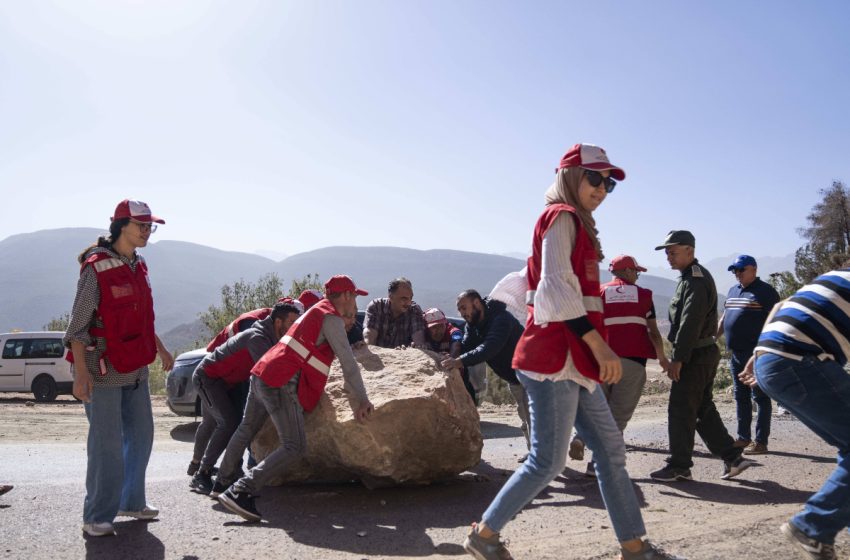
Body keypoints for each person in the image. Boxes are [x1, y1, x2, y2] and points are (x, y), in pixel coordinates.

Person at [462, 144, 682, 560]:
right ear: (569, 176)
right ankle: (484, 534)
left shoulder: (576, 222)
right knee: (548, 461)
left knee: (611, 451)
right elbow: (556, 289)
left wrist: (593, 352)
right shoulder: (561, 217)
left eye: (609, 183)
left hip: (574, 362)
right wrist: (600, 346)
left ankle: (635, 548)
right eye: (594, 178)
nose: (602, 188)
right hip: (556, 359)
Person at [214, 275, 374, 522]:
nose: (355, 304)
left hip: (262, 373)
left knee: (247, 427)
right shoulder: (329, 316)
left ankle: (221, 483)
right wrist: (362, 400)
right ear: (345, 296)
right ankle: (241, 489)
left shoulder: (316, 312)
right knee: (295, 446)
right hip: (280, 381)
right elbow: (348, 362)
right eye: (354, 297)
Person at [64, 199, 174, 538]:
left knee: (141, 437)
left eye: (149, 226)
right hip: (101, 369)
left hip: (135, 367)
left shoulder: (138, 264)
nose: (146, 232)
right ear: (121, 226)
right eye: (141, 225)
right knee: (106, 444)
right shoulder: (95, 267)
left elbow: (139, 316)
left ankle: (131, 500)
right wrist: (81, 374)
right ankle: (96, 514)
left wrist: (161, 348)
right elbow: (78, 327)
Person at [740, 267, 850, 560]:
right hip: (798, 361)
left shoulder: (835, 276)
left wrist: (758, 353)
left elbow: (780, 306)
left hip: (771, 358)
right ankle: (812, 526)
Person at [650, 231, 752, 482]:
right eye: (667, 253)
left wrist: (678, 358)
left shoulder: (695, 279)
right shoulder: (688, 278)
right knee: (702, 409)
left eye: (673, 252)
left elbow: (690, 322)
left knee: (681, 410)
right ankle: (733, 458)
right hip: (701, 353)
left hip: (695, 354)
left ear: (690, 251)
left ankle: (679, 466)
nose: (668, 257)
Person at [570, 254, 670, 477]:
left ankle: (581, 437)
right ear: (626, 271)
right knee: (617, 418)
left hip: (601, 362)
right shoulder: (644, 295)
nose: (637, 275)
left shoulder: (599, 293)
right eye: (636, 271)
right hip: (632, 363)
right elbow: (654, 332)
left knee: (598, 410)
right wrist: (662, 358)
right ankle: (598, 465)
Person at [188, 301, 301, 494]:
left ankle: (223, 470)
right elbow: (270, 371)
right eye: (291, 322)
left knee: (236, 424)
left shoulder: (272, 337)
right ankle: (202, 474)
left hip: (229, 382)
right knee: (228, 423)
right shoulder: (257, 337)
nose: (294, 327)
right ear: (278, 322)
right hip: (208, 378)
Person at [441, 290, 530, 449]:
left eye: (464, 308)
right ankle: (535, 455)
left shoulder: (501, 319)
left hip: (532, 374)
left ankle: (542, 460)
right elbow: (467, 346)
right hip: (513, 378)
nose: (462, 313)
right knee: (524, 415)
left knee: (534, 417)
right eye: (459, 310)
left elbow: (489, 347)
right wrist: (447, 356)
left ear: (476, 303)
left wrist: (458, 362)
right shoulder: (473, 326)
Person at [716, 255, 779, 455]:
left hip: (757, 355)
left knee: (759, 396)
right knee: (740, 396)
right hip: (736, 354)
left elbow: (775, 323)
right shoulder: (733, 291)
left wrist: (765, 350)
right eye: (734, 270)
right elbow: (724, 319)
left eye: (741, 270)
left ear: (754, 269)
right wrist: (712, 338)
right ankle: (743, 437)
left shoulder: (766, 292)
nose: (737, 274)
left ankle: (761, 442)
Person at [423, 307, 475, 402]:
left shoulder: (454, 332)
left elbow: (456, 345)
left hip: (457, 374)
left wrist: (451, 357)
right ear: (427, 328)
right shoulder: (422, 335)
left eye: (441, 326)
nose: (438, 330)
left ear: (445, 324)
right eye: (434, 327)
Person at [363, 277, 426, 348]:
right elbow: (370, 334)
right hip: (378, 354)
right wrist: (368, 347)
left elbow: (418, 336)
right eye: (404, 298)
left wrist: (418, 346)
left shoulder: (414, 310)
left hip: (403, 355)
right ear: (391, 297)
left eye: (410, 298)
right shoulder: (377, 307)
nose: (408, 303)